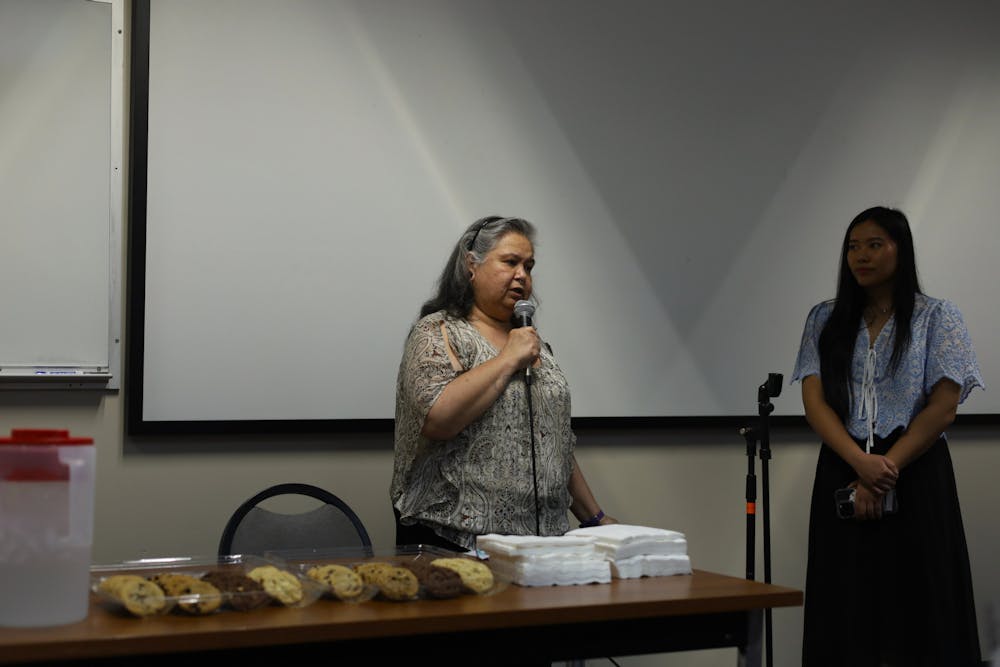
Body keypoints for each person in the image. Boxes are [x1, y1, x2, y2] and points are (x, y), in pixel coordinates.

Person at [791, 206, 984, 666]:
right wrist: (861, 465)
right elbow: (814, 402)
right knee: (844, 607)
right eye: (854, 246)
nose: (862, 256)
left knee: (923, 604)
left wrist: (884, 468)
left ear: (901, 249)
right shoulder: (824, 318)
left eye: (875, 244)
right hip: (843, 467)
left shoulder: (938, 316)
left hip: (916, 474)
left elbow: (943, 407)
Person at [390, 215, 617, 553]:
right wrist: (508, 359)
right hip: (453, 540)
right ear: (471, 264)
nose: (522, 276)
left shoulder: (533, 344)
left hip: (542, 543)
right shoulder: (438, 332)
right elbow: (437, 420)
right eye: (510, 262)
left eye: (529, 266)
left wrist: (594, 517)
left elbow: (554, 444)